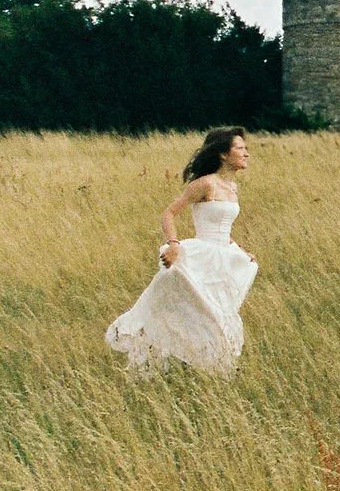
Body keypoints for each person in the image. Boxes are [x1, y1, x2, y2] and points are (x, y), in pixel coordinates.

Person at [106, 127, 259, 375]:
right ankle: (187, 364)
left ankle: (210, 368)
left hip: (223, 258)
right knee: (204, 313)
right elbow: (169, 213)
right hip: (201, 256)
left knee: (220, 315)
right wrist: (174, 245)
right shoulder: (205, 184)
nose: (246, 154)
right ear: (223, 154)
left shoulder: (231, 186)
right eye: (240, 148)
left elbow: (221, 225)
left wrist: (238, 249)